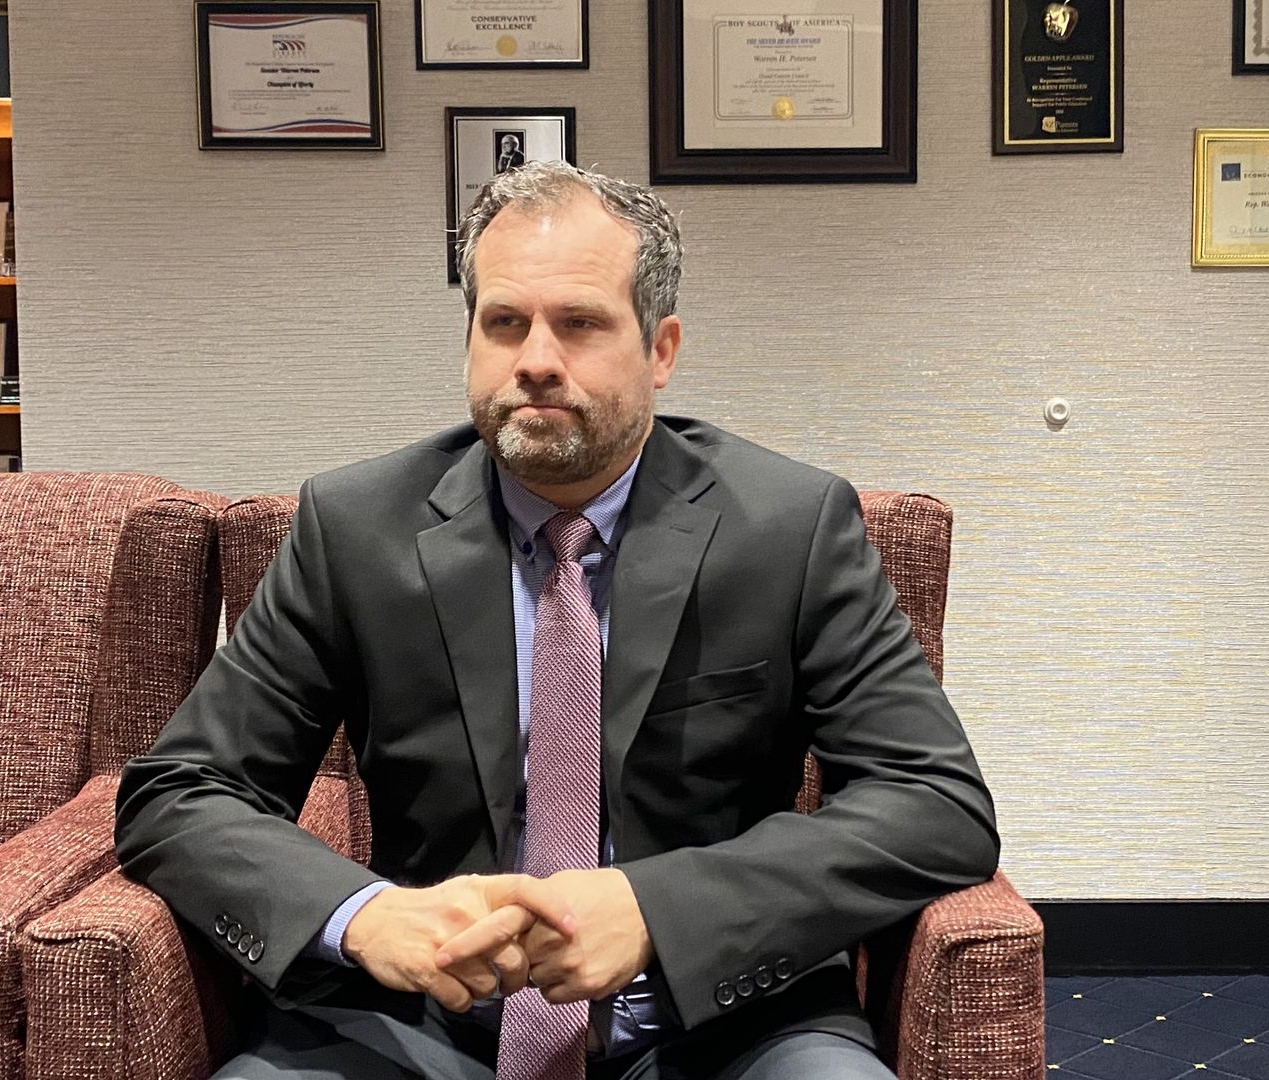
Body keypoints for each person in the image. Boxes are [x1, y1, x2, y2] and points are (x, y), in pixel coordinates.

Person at [114, 161, 999, 1080]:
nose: (536, 357)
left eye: (579, 323)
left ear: (660, 348)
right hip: (418, 1020)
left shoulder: (788, 528)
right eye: (504, 323)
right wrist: (366, 915)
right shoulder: (355, 530)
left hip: (723, 1017)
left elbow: (935, 805)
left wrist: (659, 909)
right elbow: (179, 793)